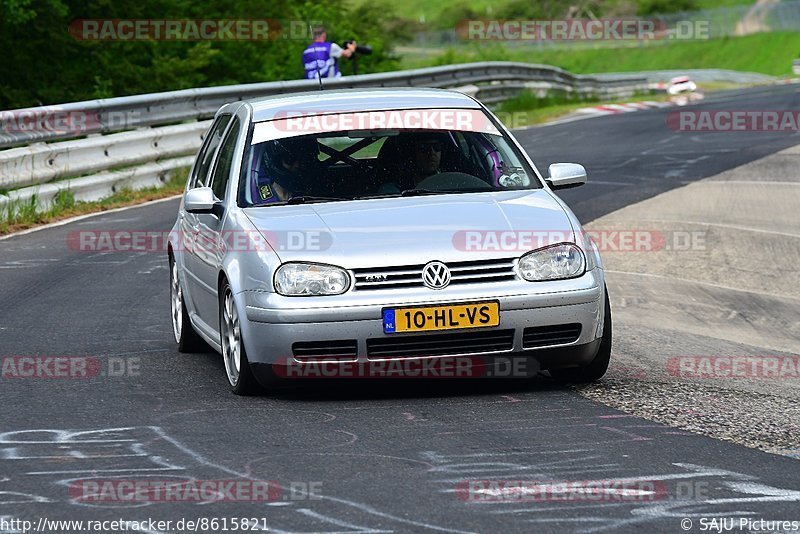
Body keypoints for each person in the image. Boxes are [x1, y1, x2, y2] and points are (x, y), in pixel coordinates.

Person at [254, 137, 319, 203]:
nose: (297, 165)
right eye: (290, 159)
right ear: (277, 161)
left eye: (303, 160)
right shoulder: (254, 193)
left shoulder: (317, 187)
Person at [377, 133, 445, 194]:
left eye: (437, 147)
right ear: (411, 155)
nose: (431, 153)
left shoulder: (451, 184)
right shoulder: (392, 191)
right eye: (423, 148)